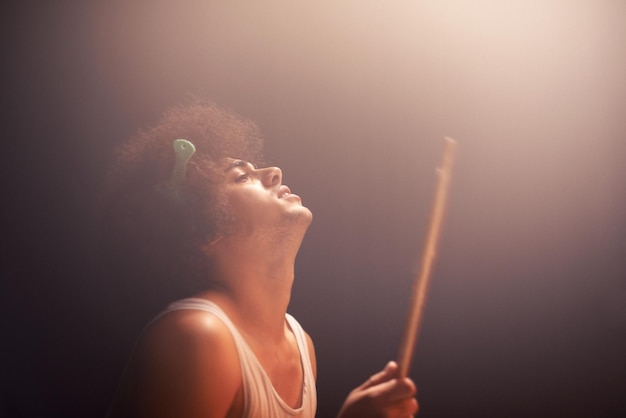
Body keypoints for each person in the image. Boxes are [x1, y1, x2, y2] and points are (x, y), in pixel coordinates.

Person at [102, 98, 418, 418]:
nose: (274, 173)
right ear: (206, 230)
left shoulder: (300, 344)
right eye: (241, 176)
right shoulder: (198, 337)